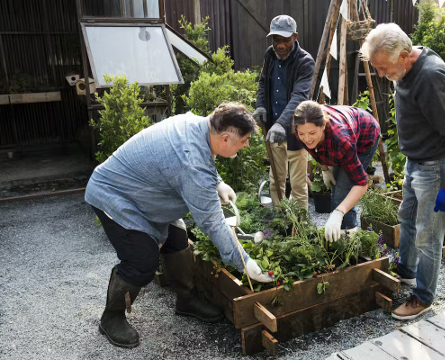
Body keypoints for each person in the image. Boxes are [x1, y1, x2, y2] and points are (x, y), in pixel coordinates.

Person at [85, 103, 273, 349]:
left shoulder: (197, 124)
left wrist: (217, 182)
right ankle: (112, 316)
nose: (247, 144)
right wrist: (245, 262)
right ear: (225, 138)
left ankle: (186, 300)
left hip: (147, 192)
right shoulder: (191, 164)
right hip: (116, 194)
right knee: (142, 261)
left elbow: (200, 156)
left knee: (178, 239)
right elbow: (212, 222)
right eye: (245, 140)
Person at [361, 23, 445, 320]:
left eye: (383, 68)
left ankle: (423, 296)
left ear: (406, 55)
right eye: (376, 68)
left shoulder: (431, 77)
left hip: (433, 169)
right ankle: (406, 273)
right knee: (406, 220)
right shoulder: (404, 67)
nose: (381, 75)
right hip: (415, 162)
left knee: (427, 236)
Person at [292, 101, 380, 242]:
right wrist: (325, 169)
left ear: (323, 125)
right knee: (336, 189)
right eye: (302, 133)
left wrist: (338, 213)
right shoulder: (301, 130)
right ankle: (338, 235)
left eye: (312, 133)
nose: (306, 138)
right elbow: (314, 150)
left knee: (342, 194)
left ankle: (350, 239)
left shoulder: (341, 140)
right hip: (347, 130)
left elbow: (362, 183)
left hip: (366, 133)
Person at [252, 14, 315, 210]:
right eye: (276, 40)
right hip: (273, 129)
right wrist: (261, 104)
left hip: (296, 131)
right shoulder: (270, 55)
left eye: (285, 40)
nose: (280, 45)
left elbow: (299, 97)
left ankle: (299, 226)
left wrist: (282, 123)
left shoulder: (305, 62)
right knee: (275, 180)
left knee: (297, 184)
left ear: (295, 37)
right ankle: (280, 222)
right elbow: (263, 81)